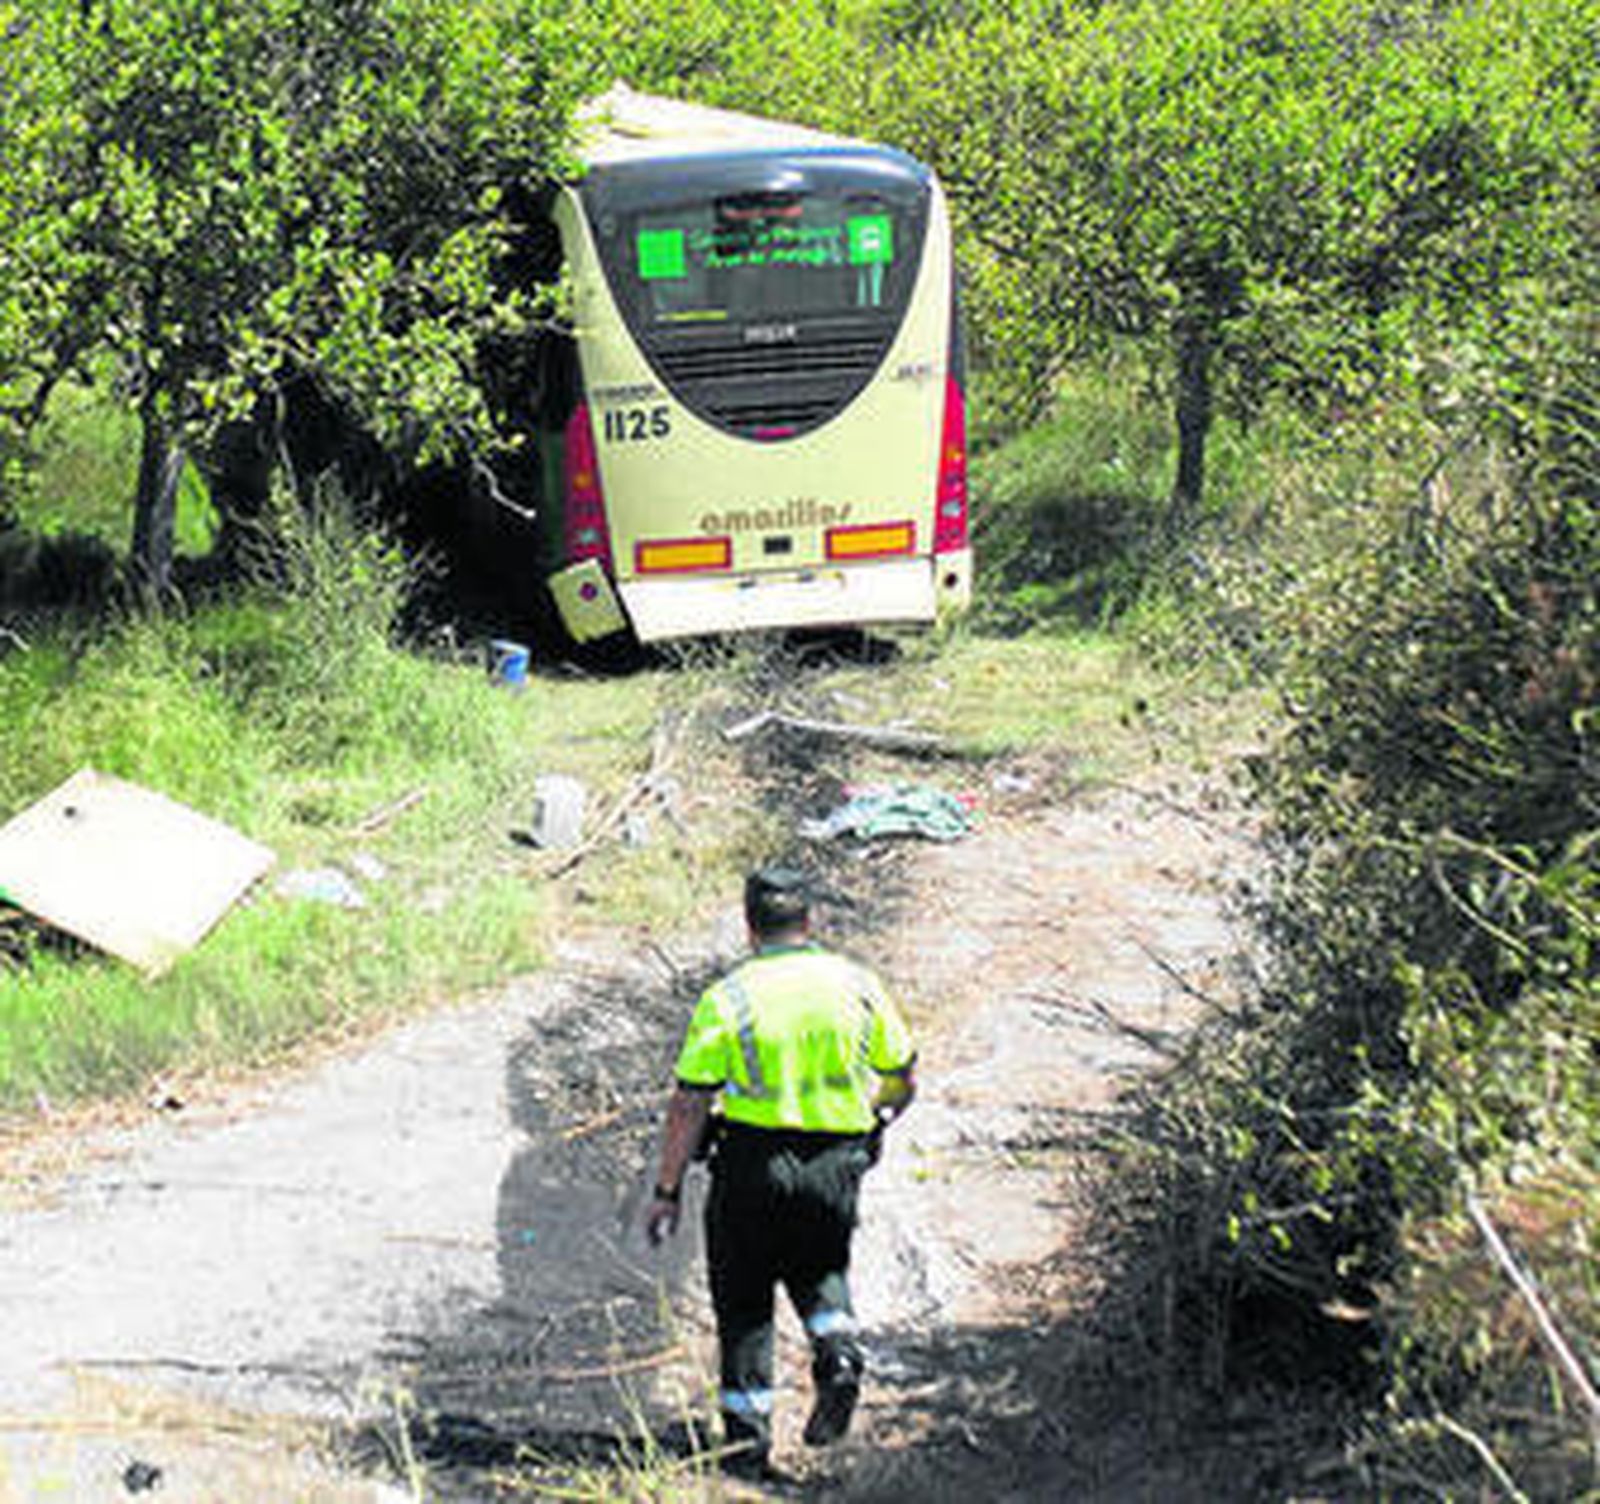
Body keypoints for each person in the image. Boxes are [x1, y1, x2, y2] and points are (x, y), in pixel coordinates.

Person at [646, 866, 917, 1476]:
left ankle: (747, 1450)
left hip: (752, 1166)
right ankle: (839, 1354)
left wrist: (667, 1190)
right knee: (821, 1268)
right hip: (836, 1164)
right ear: (810, 921)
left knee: (743, 1301)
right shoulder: (858, 984)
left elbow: (690, 1103)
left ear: (750, 928)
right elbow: (902, 1074)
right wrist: (876, 1121)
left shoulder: (730, 996)